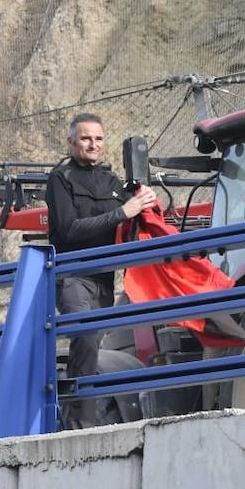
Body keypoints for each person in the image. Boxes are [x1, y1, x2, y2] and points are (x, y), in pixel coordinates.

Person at [45, 113, 156, 426]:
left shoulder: (110, 180)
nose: (93, 145)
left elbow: (130, 218)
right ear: (71, 142)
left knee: (92, 345)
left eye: (98, 139)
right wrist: (123, 211)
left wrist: (144, 203)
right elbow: (69, 230)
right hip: (72, 275)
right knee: (86, 335)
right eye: (85, 138)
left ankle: (79, 417)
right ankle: (78, 424)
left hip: (104, 278)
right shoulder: (60, 178)